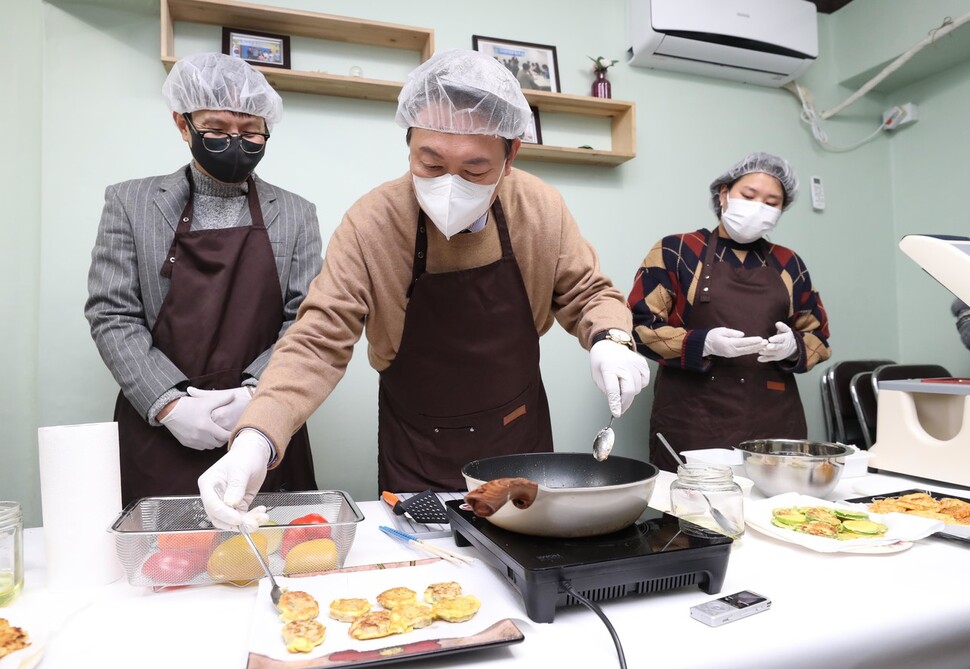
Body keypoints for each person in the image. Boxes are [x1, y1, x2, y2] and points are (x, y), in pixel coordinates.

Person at [197, 48, 651, 530]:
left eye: (475, 170)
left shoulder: (538, 208)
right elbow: (317, 340)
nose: (450, 184)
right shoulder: (373, 221)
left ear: (511, 155)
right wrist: (256, 436)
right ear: (409, 144)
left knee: (529, 554)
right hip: (417, 447)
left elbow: (586, 291)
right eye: (430, 164)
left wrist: (611, 339)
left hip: (520, 440)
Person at [85, 52, 321, 505]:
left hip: (261, 428)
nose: (236, 142)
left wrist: (258, 394)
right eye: (216, 130)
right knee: (165, 565)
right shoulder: (129, 203)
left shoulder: (296, 213)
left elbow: (306, 321)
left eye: (251, 132)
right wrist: (169, 405)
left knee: (269, 554)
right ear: (182, 123)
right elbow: (112, 313)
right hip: (159, 433)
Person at [627, 152, 831, 472]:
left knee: (773, 514)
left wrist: (793, 345)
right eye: (749, 196)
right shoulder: (676, 250)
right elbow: (637, 329)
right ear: (724, 194)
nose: (758, 207)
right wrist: (702, 343)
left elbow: (818, 336)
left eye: (771, 202)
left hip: (772, 421)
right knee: (695, 513)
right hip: (693, 418)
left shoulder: (788, 263)